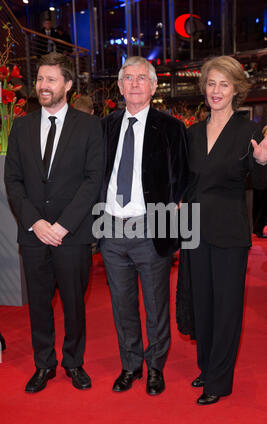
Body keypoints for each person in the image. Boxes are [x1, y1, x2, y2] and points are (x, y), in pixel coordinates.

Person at [177, 55, 267, 405]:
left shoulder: (250, 132)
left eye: (224, 84)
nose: (216, 90)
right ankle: (207, 366)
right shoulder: (191, 132)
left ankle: (219, 381)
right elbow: (186, 182)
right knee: (202, 303)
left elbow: (261, 183)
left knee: (226, 308)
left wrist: (263, 160)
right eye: (211, 83)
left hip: (229, 234)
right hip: (194, 231)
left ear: (237, 89)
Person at [5, 52, 104, 393]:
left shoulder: (90, 126)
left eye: (51, 79)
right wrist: (35, 222)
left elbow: (93, 180)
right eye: (40, 80)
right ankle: (43, 364)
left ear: (68, 85)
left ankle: (74, 362)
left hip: (72, 235)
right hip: (34, 235)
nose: (43, 86)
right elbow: (13, 180)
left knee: (75, 304)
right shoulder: (22, 126)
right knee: (39, 305)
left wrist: (62, 225)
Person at [98, 56, 188, 396]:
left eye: (141, 78)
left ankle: (155, 367)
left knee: (155, 306)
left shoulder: (171, 127)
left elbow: (182, 180)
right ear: (120, 87)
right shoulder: (104, 126)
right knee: (122, 306)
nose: (135, 84)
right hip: (111, 229)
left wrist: (172, 220)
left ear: (153, 86)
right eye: (128, 78)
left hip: (150, 230)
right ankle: (130, 365)